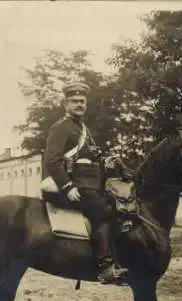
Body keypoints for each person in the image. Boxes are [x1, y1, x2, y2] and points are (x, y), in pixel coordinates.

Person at [41, 81, 128, 284]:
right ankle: (105, 267)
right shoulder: (61, 128)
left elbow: (91, 158)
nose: (80, 105)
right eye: (75, 101)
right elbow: (52, 161)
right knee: (102, 211)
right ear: (65, 104)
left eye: (82, 101)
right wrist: (67, 186)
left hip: (88, 185)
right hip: (69, 186)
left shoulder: (83, 129)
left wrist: (107, 161)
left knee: (118, 205)